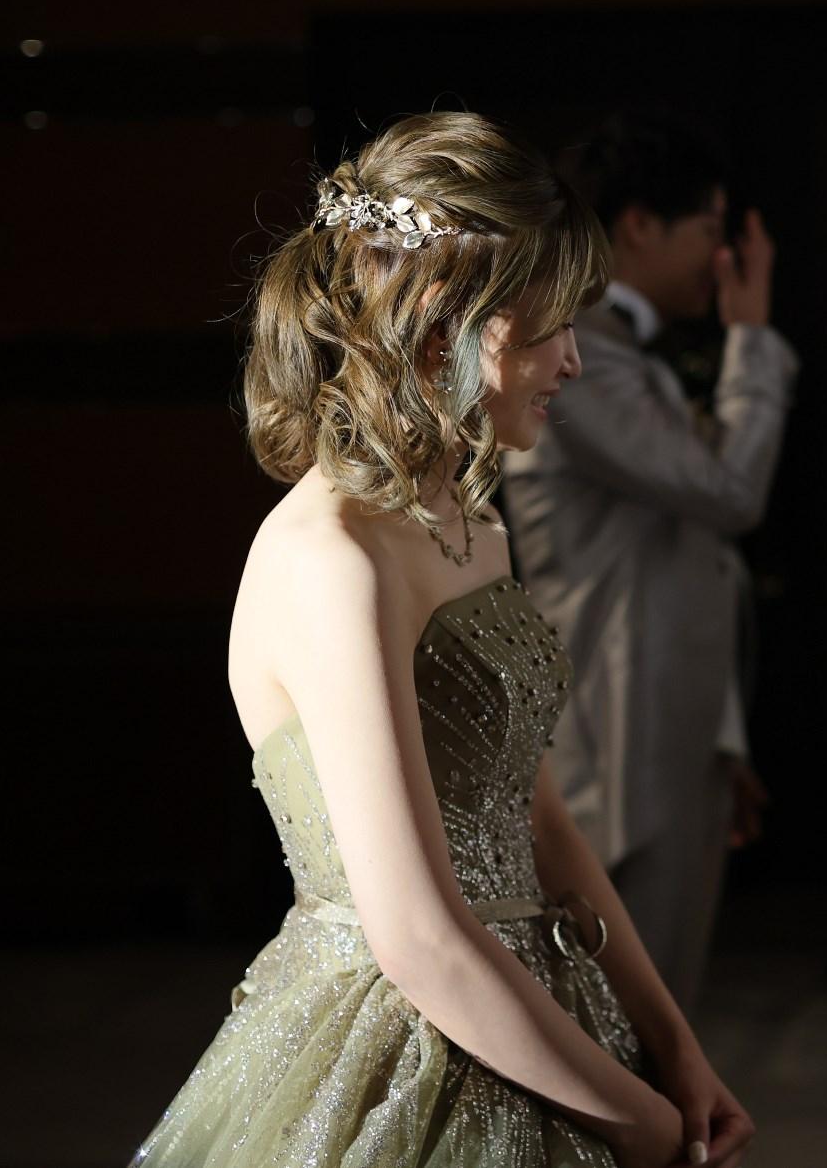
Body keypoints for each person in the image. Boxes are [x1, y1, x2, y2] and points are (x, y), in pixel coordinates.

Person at [133, 113, 752, 1168]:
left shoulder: (471, 524)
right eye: (549, 328)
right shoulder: (332, 557)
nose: (573, 362)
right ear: (441, 329)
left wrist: (673, 1045)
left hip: (541, 1005)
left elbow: (539, 820)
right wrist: (639, 1124)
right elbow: (417, 938)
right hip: (403, 1045)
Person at [502, 111, 796, 1010]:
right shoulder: (580, 354)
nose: (724, 257)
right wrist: (753, 338)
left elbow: (693, 561)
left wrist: (721, 735)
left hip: (666, 721)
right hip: (610, 725)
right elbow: (728, 493)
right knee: (622, 1007)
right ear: (639, 225)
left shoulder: (620, 353)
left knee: (660, 996)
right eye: (710, 228)